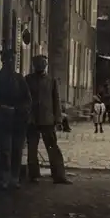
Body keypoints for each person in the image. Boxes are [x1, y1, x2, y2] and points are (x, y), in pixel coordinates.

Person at [25, 55, 72, 184]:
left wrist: (58, 119)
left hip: (47, 120)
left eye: (43, 63)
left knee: (53, 148)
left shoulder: (52, 81)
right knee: (32, 149)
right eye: (38, 64)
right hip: (32, 120)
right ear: (34, 65)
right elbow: (24, 100)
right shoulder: (28, 80)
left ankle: (59, 176)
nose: (41, 66)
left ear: (46, 65)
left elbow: (56, 101)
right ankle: (33, 175)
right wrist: (27, 116)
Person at [0, 49, 32, 189]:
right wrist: (2, 107)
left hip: (18, 121)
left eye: (13, 60)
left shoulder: (20, 79)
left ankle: (15, 178)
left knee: (17, 149)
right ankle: (4, 177)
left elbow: (28, 100)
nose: (11, 63)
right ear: (3, 61)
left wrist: (17, 109)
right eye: (8, 60)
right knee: (5, 150)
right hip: (4, 121)